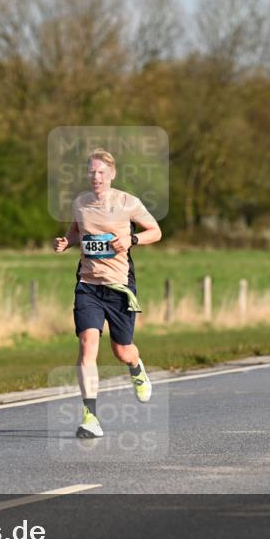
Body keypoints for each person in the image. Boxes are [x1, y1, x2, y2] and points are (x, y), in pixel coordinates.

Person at [54, 148, 162, 438]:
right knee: (88, 344)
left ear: (112, 174)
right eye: (92, 172)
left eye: (101, 172)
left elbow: (156, 230)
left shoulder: (128, 202)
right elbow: (77, 232)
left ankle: (136, 368)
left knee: (122, 350)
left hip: (119, 285)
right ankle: (90, 417)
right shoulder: (81, 203)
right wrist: (68, 242)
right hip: (88, 285)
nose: (96, 176)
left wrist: (132, 238)